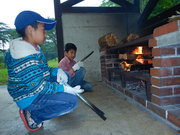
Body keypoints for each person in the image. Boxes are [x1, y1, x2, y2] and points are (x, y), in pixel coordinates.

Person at [5, 10, 84, 132]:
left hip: (36, 87)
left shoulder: (34, 48)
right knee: (70, 102)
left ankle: (37, 110)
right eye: (43, 29)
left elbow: (44, 70)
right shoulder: (24, 56)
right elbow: (38, 87)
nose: (45, 34)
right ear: (30, 29)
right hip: (28, 96)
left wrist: (57, 72)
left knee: (67, 76)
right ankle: (34, 118)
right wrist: (64, 89)